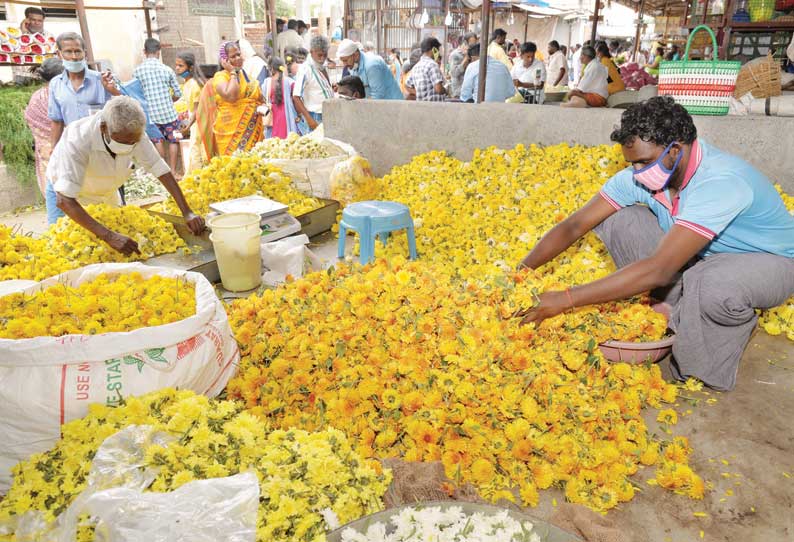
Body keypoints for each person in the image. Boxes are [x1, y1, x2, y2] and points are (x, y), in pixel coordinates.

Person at [517, 97, 794, 391]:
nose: (637, 172)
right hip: (701, 254)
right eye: (632, 163)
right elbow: (575, 224)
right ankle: (672, 307)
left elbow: (660, 268)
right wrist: (520, 271)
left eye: (645, 162)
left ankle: (702, 369)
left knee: (710, 281)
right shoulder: (645, 176)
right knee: (622, 220)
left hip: (769, 263)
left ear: (675, 149)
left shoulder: (720, 181)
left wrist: (566, 299)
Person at [45, 97, 203, 250]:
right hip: (70, 199)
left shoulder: (134, 133)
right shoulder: (77, 139)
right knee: (70, 249)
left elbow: (159, 168)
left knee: (114, 251)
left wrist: (187, 212)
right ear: (103, 128)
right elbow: (64, 199)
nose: (129, 145)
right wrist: (109, 236)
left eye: (133, 142)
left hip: (107, 194)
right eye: (123, 141)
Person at [49, 32, 114, 148]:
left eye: (78, 51)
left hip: (101, 145)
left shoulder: (102, 80)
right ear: (59, 54)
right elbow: (57, 121)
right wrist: (53, 149)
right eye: (68, 51)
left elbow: (123, 105)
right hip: (73, 146)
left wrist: (114, 89)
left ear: (85, 53)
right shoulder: (56, 84)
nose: (74, 57)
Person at [133, 38, 182, 175]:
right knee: (173, 141)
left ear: (144, 52)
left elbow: (135, 94)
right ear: (159, 52)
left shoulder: (137, 71)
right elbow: (178, 93)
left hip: (151, 115)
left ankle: (162, 173)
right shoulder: (167, 69)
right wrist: (168, 101)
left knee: (157, 141)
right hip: (169, 113)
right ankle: (172, 171)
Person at [212, 41, 264, 154]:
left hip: (251, 130)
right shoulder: (220, 77)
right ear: (224, 60)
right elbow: (231, 96)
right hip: (229, 132)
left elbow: (259, 97)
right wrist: (232, 72)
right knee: (232, 166)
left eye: (239, 54)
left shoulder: (246, 77)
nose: (238, 58)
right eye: (233, 56)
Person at [24, 58, 63, 197]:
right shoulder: (60, 94)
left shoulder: (36, 97)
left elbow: (30, 119)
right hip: (62, 150)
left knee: (53, 193)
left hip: (45, 152)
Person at [337, 39, 403, 100]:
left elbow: (377, 95)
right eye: (343, 61)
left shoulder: (372, 65)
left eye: (346, 60)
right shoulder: (353, 67)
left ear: (356, 54)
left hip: (393, 105)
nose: (344, 64)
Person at [293, 35, 334, 132]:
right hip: (315, 115)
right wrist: (309, 119)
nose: (322, 58)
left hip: (327, 114)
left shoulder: (321, 67)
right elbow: (296, 96)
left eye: (325, 55)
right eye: (320, 55)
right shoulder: (305, 69)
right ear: (311, 52)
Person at [173, 52, 205, 173]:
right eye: (176, 65)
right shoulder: (187, 83)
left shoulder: (195, 85)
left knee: (196, 152)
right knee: (194, 151)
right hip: (194, 122)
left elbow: (197, 110)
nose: (177, 68)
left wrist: (188, 126)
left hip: (198, 123)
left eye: (181, 66)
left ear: (190, 68)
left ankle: (198, 178)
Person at [264, 58, 300, 138]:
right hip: (287, 115)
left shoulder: (266, 83)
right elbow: (296, 100)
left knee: (273, 142)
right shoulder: (290, 82)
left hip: (273, 115)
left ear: (272, 69)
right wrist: (299, 115)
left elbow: (264, 99)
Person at [405, 37, 446, 102]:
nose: (437, 53)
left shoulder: (416, 67)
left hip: (422, 106)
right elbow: (439, 89)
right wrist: (445, 90)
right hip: (435, 108)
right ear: (434, 50)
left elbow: (407, 85)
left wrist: (419, 93)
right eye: (437, 50)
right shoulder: (433, 65)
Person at [449, 32, 478, 98]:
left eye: (474, 44)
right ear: (465, 43)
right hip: (459, 92)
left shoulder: (473, 53)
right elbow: (454, 73)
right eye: (471, 45)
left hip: (471, 92)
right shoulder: (455, 55)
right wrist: (466, 59)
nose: (473, 47)